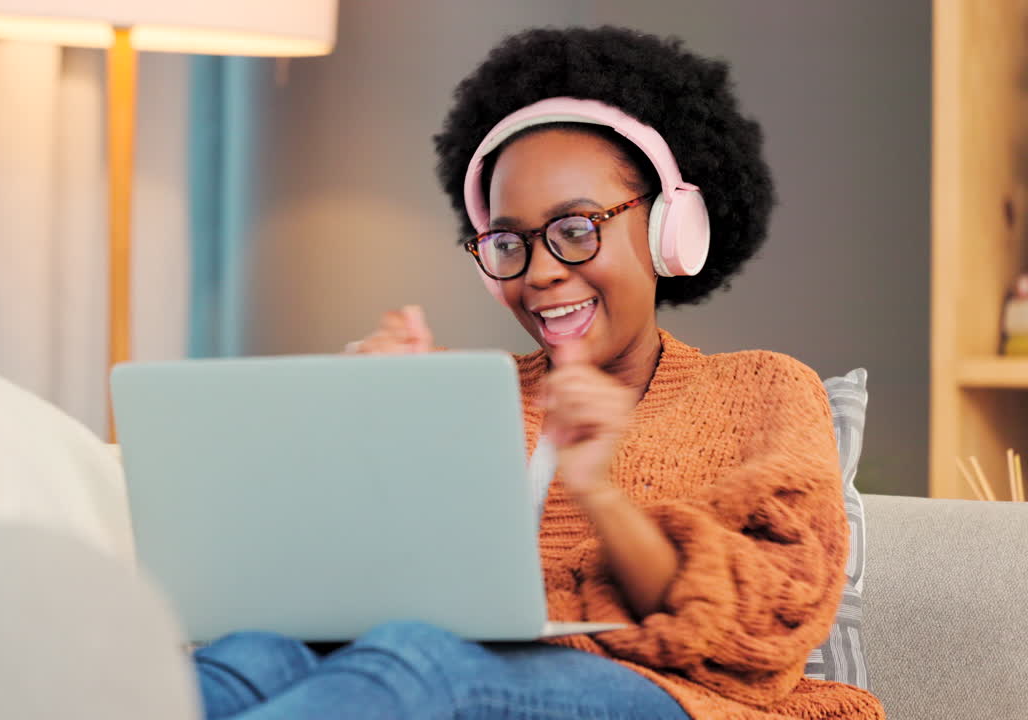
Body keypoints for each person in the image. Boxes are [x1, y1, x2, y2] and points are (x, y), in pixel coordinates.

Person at [192, 26, 885, 719]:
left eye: (576, 229)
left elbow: (756, 634)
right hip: (445, 667)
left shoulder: (762, 389)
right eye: (508, 241)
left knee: (413, 662)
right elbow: (342, 588)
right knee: (246, 658)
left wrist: (599, 492)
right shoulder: (467, 396)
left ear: (670, 230)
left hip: (684, 696)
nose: (542, 271)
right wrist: (355, 426)